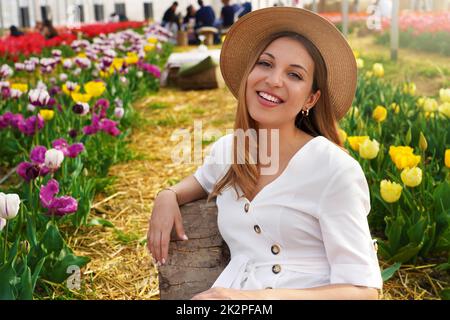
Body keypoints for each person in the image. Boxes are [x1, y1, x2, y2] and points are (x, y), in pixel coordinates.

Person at [148, 7, 382, 299]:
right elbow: (197, 182)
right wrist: (167, 195)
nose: (273, 80)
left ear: (311, 98)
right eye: (265, 64)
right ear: (249, 73)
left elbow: (364, 291)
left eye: (294, 74)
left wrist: (254, 299)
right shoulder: (230, 150)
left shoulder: (333, 169)